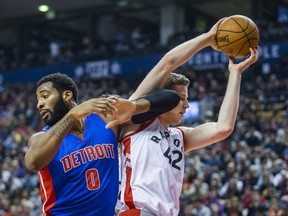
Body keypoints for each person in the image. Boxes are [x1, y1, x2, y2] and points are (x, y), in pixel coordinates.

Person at [117, 29, 259, 215]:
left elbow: (223, 127)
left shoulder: (179, 136)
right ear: (164, 97)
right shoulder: (134, 122)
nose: (186, 105)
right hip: (137, 211)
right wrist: (207, 38)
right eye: (181, 98)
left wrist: (235, 73)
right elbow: (167, 63)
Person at [24, 72, 181, 215]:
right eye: (38, 100)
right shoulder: (41, 138)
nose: (39, 104)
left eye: (44, 96)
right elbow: (33, 162)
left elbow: (171, 98)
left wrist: (134, 107)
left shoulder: (104, 119)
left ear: (67, 95)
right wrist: (71, 116)